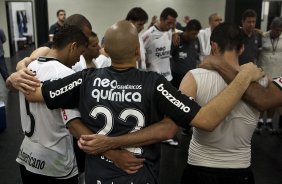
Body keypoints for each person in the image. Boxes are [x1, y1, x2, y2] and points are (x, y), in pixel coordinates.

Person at [16, 20, 264, 184]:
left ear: (106, 51)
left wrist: (22, 66)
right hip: (139, 176)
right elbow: (206, 120)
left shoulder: (83, 79)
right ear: (137, 51)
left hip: (98, 177)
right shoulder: (154, 83)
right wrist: (242, 79)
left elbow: (33, 93)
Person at [180, 22, 266, 184]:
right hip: (240, 170)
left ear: (213, 46)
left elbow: (180, 121)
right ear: (241, 48)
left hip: (199, 168)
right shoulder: (261, 83)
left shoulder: (192, 77)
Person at [15, 24, 88, 184]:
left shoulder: (28, 68)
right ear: (72, 47)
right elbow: (74, 125)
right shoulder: (67, 75)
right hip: (55, 163)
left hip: (27, 156)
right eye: (80, 53)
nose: (78, 60)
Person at [141, 7, 179, 145]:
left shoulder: (170, 31)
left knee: (167, 107)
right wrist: (145, 62)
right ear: (161, 19)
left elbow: (173, 30)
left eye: (173, 23)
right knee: (155, 109)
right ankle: (153, 136)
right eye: (169, 22)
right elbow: (139, 51)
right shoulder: (148, 34)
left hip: (168, 76)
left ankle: (166, 135)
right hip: (154, 78)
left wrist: (174, 31)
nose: (171, 25)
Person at [256, 17, 282, 134]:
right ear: (271, 27)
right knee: (262, 98)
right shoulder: (264, 36)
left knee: (273, 100)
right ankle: (260, 121)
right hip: (263, 73)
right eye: (276, 30)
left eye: (280, 30)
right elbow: (257, 31)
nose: (278, 32)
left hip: (278, 73)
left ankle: (270, 121)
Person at [170, 19, 201, 89]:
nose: (195, 36)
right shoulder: (177, 39)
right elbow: (169, 57)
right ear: (187, 30)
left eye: (197, 33)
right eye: (193, 33)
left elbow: (197, 56)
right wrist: (174, 33)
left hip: (192, 77)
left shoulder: (196, 40)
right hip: (177, 78)